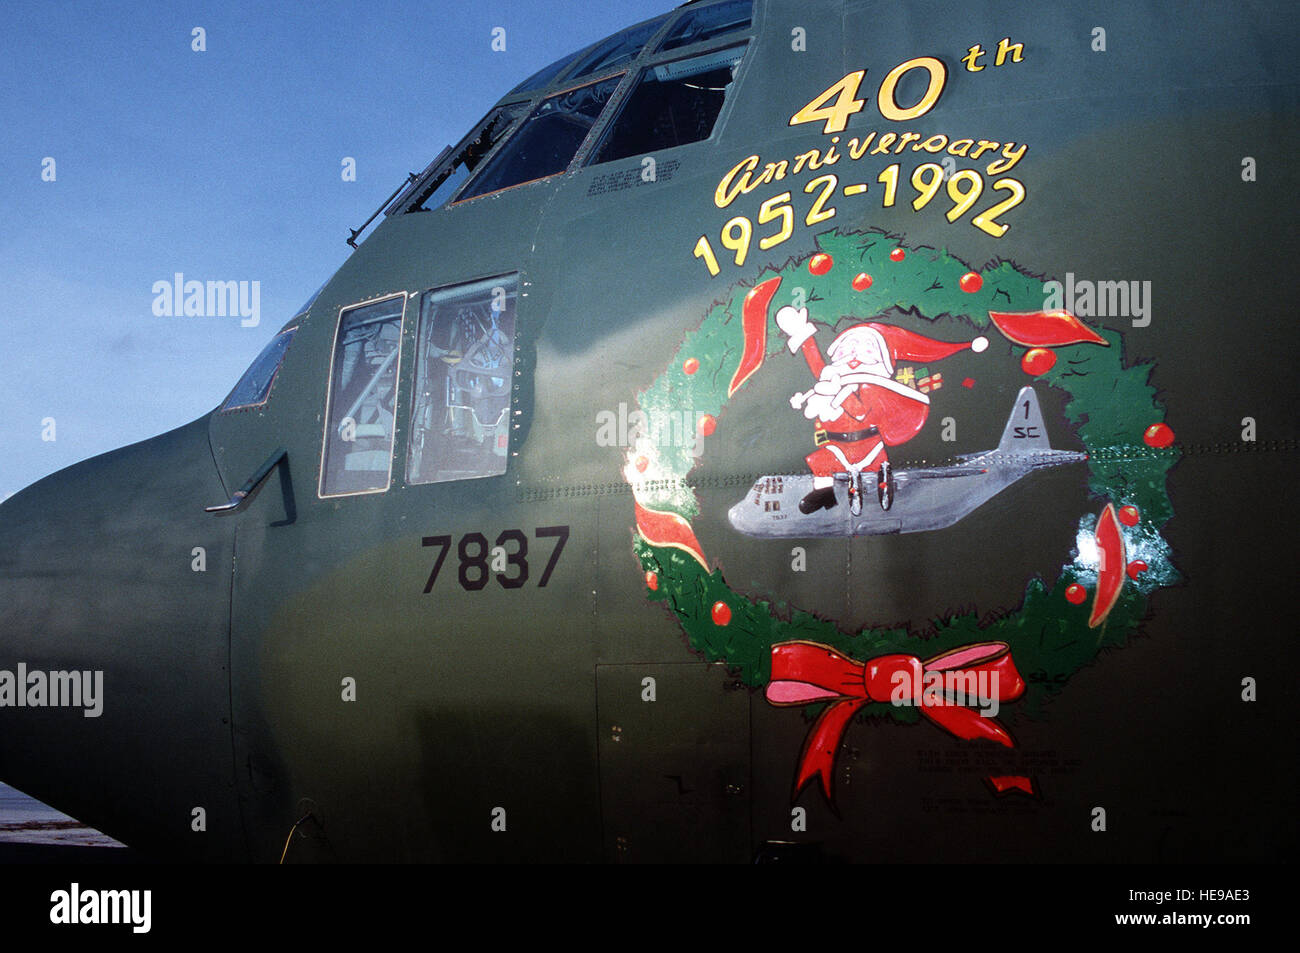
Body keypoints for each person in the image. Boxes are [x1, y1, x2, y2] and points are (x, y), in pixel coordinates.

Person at [775, 306, 987, 512]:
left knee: (875, 470)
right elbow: (817, 365)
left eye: (862, 351)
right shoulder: (834, 380)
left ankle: (883, 488)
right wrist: (803, 335)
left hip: (868, 446)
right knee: (821, 464)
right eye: (847, 351)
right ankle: (826, 496)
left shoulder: (873, 388)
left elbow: (860, 412)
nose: (853, 357)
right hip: (837, 445)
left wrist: (836, 396)